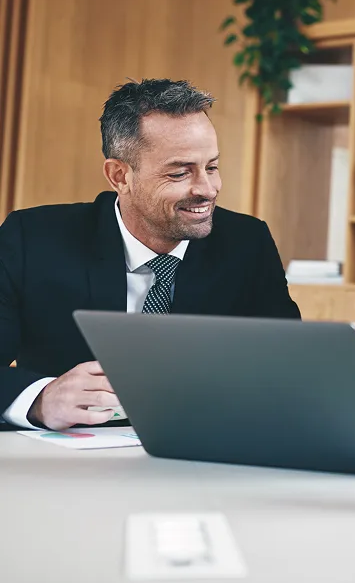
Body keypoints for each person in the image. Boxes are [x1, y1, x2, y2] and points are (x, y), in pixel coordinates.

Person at [0, 79, 300, 431]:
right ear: (120, 176)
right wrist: (40, 400)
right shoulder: (32, 238)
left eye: (212, 167)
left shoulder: (247, 242)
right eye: (179, 172)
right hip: (68, 464)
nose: (207, 189)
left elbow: (289, 371)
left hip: (199, 458)